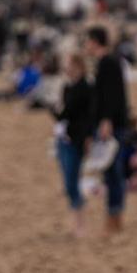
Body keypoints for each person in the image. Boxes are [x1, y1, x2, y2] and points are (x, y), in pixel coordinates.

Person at [85, 26, 131, 234]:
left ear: (95, 41)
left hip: (111, 125)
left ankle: (115, 216)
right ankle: (114, 216)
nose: (86, 45)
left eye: (88, 41)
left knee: (113, 171)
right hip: (112, 122)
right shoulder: (107, 62)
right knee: (110, 171)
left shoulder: (108, 63)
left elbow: (111, 95)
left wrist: (106, 120)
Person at [52, 54, 96, 237]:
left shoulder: (86, 87)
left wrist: (88, 138)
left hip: (77, 139)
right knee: (68, 183)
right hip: (64, 138)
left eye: (68, 64)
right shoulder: (67, 87)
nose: (65, 68)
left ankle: (80, 225)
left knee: (72, 180)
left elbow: (89, 116)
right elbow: (62, 116)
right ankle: (75, 222)